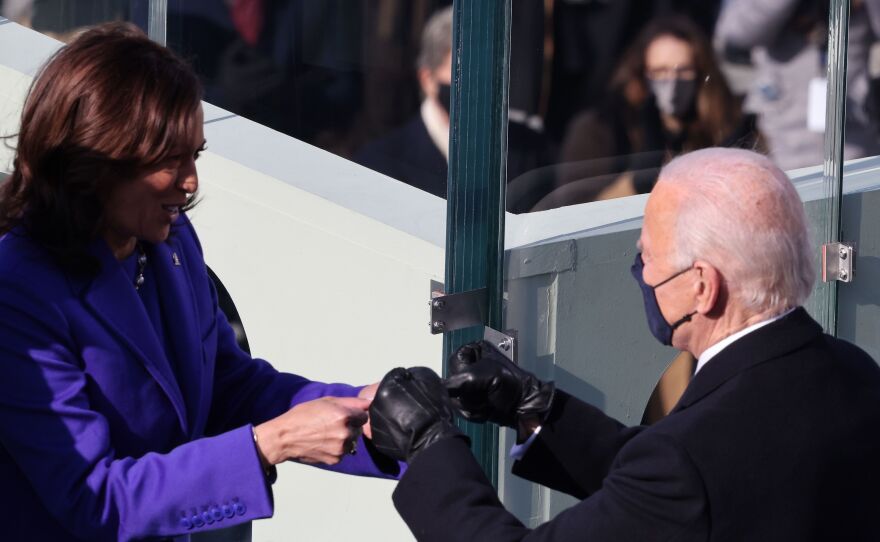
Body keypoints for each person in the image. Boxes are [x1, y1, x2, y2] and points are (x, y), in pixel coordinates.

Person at [0, 23, 398, 542]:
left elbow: (229, 386)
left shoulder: (169, 241)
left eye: (196, 156)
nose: (191, 184)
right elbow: (93, 498)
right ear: (95, 159)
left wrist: (366, 413)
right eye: (171, 160)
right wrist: (268, 444)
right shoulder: (18, 290)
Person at [369, 147, 880, 540]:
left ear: (702, 286)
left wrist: (429, 445)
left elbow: (684, 478)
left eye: (649, 255)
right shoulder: (855, 373)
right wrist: (538, 408)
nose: (640, 271)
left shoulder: (686, 465)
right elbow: (693, 484)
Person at [545, 16, 760, 209]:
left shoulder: (722, 122)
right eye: (660, 71)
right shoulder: (599, 128)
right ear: (641, 74)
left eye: (684, 71)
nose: (672, 83)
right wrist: (638, 178)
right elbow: (576, 215)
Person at [354, 5, 553, 213]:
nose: (478, 84)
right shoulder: (380, 164)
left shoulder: (530, 151)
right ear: (428, 79)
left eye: (489, 70)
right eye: (465, 71)